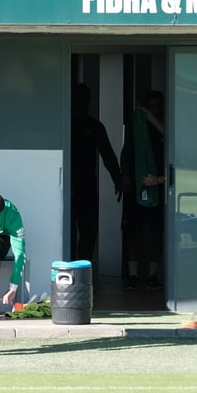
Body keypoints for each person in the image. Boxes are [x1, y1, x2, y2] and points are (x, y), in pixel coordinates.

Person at [70, 83, 122, 266]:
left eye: (85, 100)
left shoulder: (94, 126)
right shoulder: (63, 124)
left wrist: (118, 178)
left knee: (88, 230)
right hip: (65, 186)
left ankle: (82, 268)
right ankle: (69, 268)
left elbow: (108, 154)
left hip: (86, 186)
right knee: (65, 229)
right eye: (78, 99)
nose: (82, 104)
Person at [124, 90, 166, 291]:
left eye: (158, 107)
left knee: (157, 233)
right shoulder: (137, 128)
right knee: (133, 231)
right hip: (137, 187)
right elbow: (127, 152)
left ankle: (152, 275)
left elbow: (170, 138)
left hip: (161, 188)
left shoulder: (165, 129)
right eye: (150, 107)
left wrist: (157, 181)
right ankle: (132, 275)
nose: (154, 110)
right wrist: (124, 178)